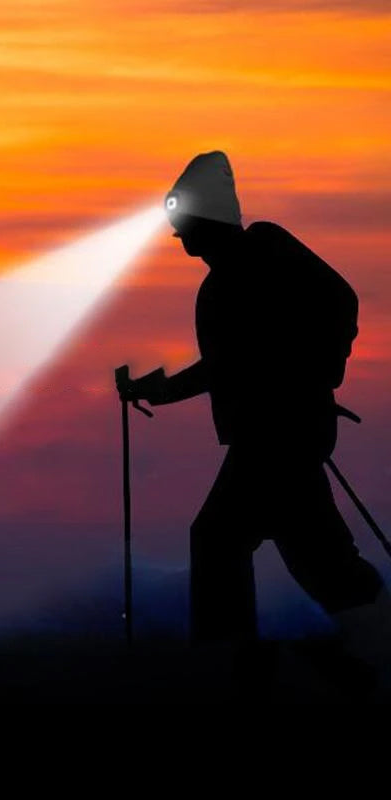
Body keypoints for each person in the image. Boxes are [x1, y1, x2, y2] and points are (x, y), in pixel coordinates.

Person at [117, 150, 390, 695]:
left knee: (219, 540)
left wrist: (318, 371)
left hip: (278, 440)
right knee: (322, 561)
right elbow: (224, 369)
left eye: (180, 223)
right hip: (276, 438)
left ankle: (236, 669)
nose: (176, 235)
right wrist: (161, 390)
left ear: (204, 218)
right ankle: (371, 653)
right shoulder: (222, 285)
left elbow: (340, 300)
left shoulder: (262, 249)